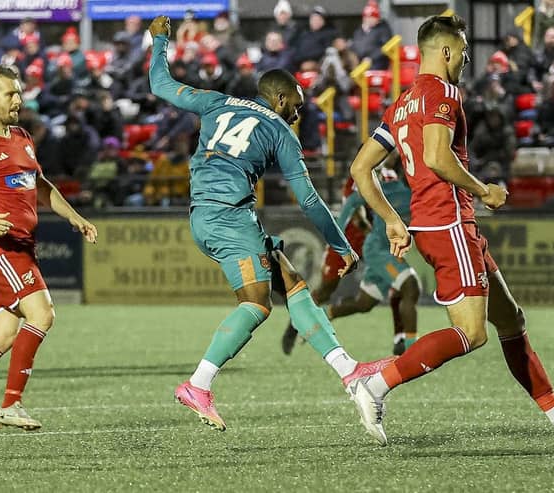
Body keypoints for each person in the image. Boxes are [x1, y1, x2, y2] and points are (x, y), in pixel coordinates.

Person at [148, 16, 393, 431]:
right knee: (257, 304)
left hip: (212, 213)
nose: (299, 113)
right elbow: (311, 200)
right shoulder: (281, 131)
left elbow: (160, 85)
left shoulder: (214, 101)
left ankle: (349, 370)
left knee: (293, 283)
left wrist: (159, 42)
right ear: (279, 99)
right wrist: (340, 246)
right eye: (296, 104)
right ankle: (197, 384)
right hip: (227, 216)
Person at [348, 15, 554, 446]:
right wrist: (484, 191)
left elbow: (360, 168)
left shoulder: (402, 102)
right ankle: (375, 384)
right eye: (462, 51)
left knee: (511, 319)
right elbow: (439, 157)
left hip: (436, 224)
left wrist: (392, 220)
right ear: (445, 51)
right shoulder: (441, 91)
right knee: (472, 333)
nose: (465, 58)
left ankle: (552, 408)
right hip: (449, 221)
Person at [0, 65, 97, 432]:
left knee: (3, 334)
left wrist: (75, 217)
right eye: (11, 94)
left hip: (23, 247)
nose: (19, 100)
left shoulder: (22, 136)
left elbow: (39, 185)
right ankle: (11, 403)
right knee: (43, 314)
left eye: (19, 92)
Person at [282, 158, 420, 357]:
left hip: (375, 242)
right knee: (327, 288)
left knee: (366, 302)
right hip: (351, 238)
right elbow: (356, 207)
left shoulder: (395, 178)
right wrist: (339, 233)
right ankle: (295, 326)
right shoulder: (361, 174)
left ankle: (398, 337)